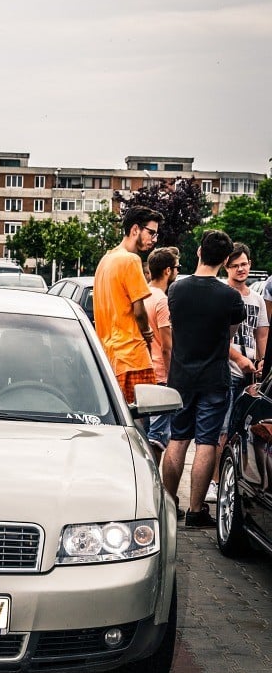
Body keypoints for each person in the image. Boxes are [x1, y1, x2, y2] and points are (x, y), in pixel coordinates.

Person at [162, 230, 246, 529]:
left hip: (181, 377)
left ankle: (169, 507)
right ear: (226, 261)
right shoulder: (230, 297)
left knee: (177, 438)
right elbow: (232, 333)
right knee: (207, 442)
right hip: (213, 377)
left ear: (198, 252)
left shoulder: (176, 290)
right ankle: (197, 511)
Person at [207, 242, 268, 501]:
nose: (240, 269)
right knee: (222, 429)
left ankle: (240, 480)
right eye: (235, 265)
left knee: (242, 431)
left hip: (251, 372)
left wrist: (264, 360)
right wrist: (239, 358)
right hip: (228, 369)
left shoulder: (255, 298)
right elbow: (217, 335)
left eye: (244, 264)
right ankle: (215, 481)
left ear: (250, 265)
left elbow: (262, 332)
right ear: (226, 267)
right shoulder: (221, 293)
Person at [93, 205, 164, 403]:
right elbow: (139, 310)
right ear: (135, 230)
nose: (154, 240)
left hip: (108, 357)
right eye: (151, 233)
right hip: (132, 355)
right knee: (138, 423)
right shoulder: (131, 260)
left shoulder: (105, 261)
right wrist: (148, 333)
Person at [144, 246, 180, 465]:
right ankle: (154, 482)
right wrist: (173, 375)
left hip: (142, 369)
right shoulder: (161, 301)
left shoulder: (142, 295)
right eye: (176, 268)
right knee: (157, 438)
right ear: (167, 271)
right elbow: (167, 346)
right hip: (160, 374)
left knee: (144, 433)